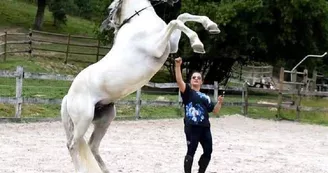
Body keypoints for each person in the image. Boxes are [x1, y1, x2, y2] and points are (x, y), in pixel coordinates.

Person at [174, 57, 224, 173]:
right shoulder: (187, 92)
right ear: (191, 81)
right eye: (193, 77)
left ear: (202, 82)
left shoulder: (205, 97)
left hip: (205, 128)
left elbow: (215, 111)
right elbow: (179, 81)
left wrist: (219, 103)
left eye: (198, 78)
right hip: (192, 126)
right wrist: (178, 66)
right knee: (191, 150)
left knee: (208, 150)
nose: (196, 79)